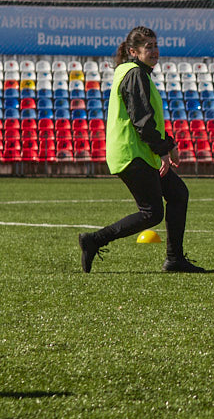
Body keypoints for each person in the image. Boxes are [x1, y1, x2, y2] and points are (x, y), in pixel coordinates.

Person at [77, 26, 205, 273]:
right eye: (149, 47)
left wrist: (169, 144)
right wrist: (163, 152)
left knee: (178, 193)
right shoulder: (135, 74)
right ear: (133, 51)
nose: (155, 51)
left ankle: (174, 259)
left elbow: (149, 119)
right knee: (151, 213)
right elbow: (142, 122)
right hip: (132, 153)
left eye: (156, 46)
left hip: (140, 152)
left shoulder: (137, 73)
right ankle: (94, 240)